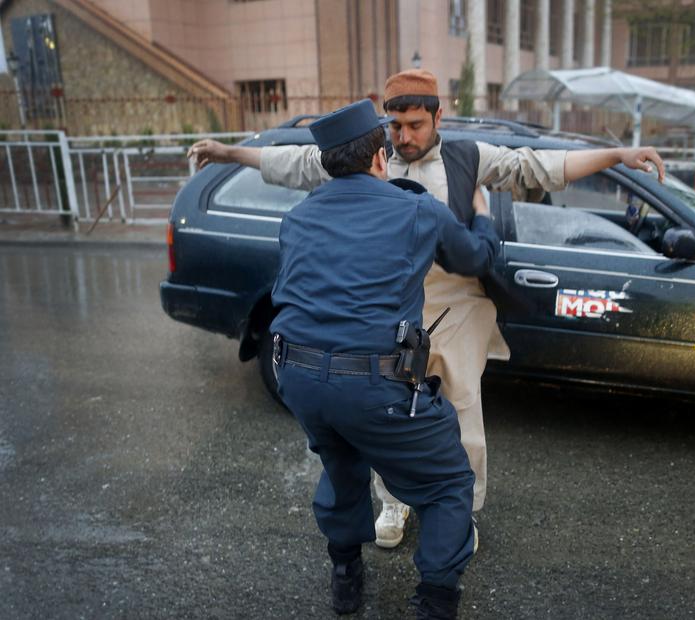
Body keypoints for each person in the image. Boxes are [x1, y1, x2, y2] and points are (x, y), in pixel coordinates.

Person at [188, 69, 665, 550]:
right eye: (395, 126)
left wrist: (618, 156)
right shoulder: (368, 156)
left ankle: (459, 511)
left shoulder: (468, 156)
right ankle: (393, 502)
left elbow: (537, 165)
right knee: (388, 411)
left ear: (439, 116)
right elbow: (293, 161)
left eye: (415, 125)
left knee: (460, 410)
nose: (404, 137)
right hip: (389, 313)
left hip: (456, 304)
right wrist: (229, 153)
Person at [270, 98, 499, 618]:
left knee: (342, 459)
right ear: (379, 157)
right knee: (447, 484)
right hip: (373, 385)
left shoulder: (297, 217)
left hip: (299, 378)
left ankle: (346, 573)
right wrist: (483, 217)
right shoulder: (415, 207)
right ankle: (435, 601)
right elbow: (472, 257)